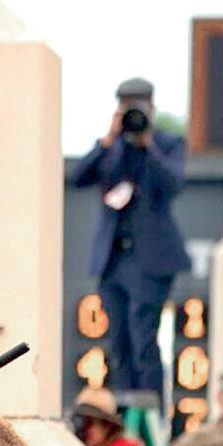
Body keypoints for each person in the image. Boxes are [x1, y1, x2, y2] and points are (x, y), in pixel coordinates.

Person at [69, 76, 190, 413]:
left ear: (152, 107)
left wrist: (147, 146)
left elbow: (174, 184)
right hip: (113, 260)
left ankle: (149, 414)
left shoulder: (167, 144)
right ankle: (122, 414)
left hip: (150, 260)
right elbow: (77, 177)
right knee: (118, 343)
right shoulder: (112, 147)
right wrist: (108, 140)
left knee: (143, 340)